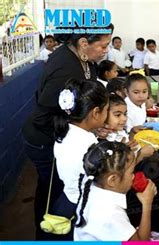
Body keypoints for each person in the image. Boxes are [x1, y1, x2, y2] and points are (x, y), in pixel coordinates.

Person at [22, 24, 113, 240]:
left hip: (60, 133)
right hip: (44, 139)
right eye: (103, 45)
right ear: (84, 43)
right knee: (52, 191)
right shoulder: (66, 69)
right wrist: (77, 128)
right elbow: (42, 115)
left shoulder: (81, 57)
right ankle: (47, 233)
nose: (106, 51)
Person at [53, 79, 109, 239]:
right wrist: (137, 155)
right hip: (81, 207)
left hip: (65, 200)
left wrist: (94, 132)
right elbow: (106, 180)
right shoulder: (88, 145)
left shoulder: (65, 131)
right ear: (96, 112)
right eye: (106, 110)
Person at [74, 141, 158, 241]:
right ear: (113, 180)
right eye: (131, 172)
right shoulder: (111, 215)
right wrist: (147, 203)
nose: (133, 176)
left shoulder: (92, 178)